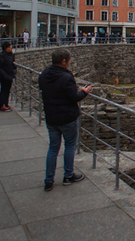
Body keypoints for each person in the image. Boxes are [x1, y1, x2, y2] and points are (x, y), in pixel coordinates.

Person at [40, 49, 93, 192]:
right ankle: (68, 175)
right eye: (69, 60)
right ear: (64, 61)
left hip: (51, 117)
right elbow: (74, 97)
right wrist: (84, 92)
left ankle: (49, 180)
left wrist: (75, 89)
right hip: (67, 117)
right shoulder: (66, 76)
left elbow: (51, 90)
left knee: (53, 148)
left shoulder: (44, 74)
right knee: (70, 145)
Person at [0, 41, 16, 112]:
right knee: (3, 90)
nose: (11, 48)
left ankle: (6, 104)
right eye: (9, 47)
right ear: (6, 48)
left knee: (7, 91)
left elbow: (12, 64)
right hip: (4, 77)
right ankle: (2, 105)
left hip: (10, 75)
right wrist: (4, 75)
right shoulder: (1, 56)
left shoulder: (11, 55)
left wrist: (14, 70)